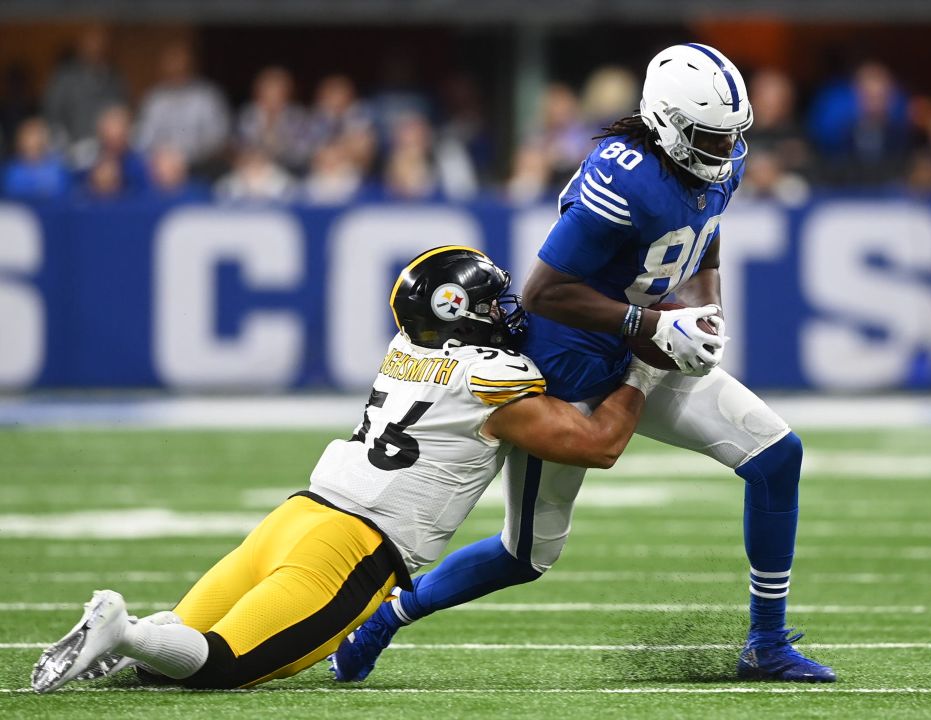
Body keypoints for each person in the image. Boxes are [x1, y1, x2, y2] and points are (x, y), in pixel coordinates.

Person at [334, 43, 835, 684]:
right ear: (667, 122)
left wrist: (706, 314)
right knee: (526, 555)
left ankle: (766, 643)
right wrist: (647, 324)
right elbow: (544, 291)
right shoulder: (624, 174)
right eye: (708, 137)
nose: (723, 151)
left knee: (776, 457)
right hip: (569, 360)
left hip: (650, 342)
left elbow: (705, 237)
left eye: (730, 137)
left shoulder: (721, 162)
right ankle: (387, 618)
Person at [30, 247, 665, 694]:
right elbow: (599, 443)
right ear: (458, 312)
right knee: (222, 666)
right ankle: (124, 628)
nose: (506, 311)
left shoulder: (404, 349)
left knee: (177, 654)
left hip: (296, 516)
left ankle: (126, 639)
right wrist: (644, 366)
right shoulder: (491, 380)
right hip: (356, 548)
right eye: (491, 302)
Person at [135, 41, 231, 171]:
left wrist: (186, 157)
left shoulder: (207, 95)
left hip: (199, 164)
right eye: (172, 65)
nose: (176, 69)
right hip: (162, 166)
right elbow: (144, 139)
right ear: (164, 68)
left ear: (190, 65)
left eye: (181, 64)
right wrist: (164, 157)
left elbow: (217, 137)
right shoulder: (155, 99)